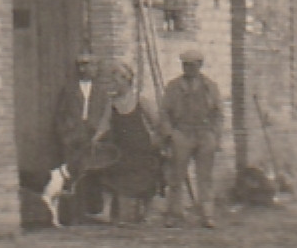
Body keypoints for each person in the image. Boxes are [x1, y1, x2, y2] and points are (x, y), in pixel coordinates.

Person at [91, 59, 163, 225]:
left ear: (126, 80)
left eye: (116, 81)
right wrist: (96, 138)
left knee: (147, 178)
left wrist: (156, 140)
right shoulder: (112, 103)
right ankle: (106, 212)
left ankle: (148, 213)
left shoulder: (141, 101)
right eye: (111, 80)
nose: (113, 85)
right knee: (109, 173)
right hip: (121, 148)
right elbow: (105, 123)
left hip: (141, 149)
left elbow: (156, 122)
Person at [160, 48, 223, 228]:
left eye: (193, 65)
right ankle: (174, 214)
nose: (189, 69)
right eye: (185, 65)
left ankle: (207, 215)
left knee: (205, 177)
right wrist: (170, 134)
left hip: (204, 134)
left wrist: (215, 135)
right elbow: (164, 112)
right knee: (176, 176)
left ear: (200, 66)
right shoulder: (173, 87)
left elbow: (218, 113)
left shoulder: (210, 86)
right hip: (182, 133)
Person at [53, 53, 104, 220]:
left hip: (92, 136)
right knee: (71, 174)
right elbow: (60, 115)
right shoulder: (69, 89)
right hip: (73, 137)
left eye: (96, 66)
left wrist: (98, 132)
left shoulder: (100, 90)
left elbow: (104, 112)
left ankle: (92, 211)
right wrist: (65, 135)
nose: (94, 70)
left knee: (92, 172)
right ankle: (70, 214)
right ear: (82, 68)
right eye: (91, 66)